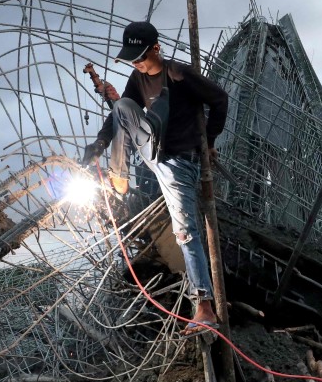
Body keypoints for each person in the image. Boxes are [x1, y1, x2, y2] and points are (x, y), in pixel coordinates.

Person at [83, 20, 228, 329]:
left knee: (185, 232)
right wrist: (100, 142)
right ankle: (118, 177)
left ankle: (204, 306)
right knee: (121, 104)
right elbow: (120, 115)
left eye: (141, 57)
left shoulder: (179, 74)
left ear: (156, 49)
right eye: (132, 59)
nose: (137, 64)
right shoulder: (138, 77)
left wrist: (210, 142)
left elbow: (220, 100)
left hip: (178, 161)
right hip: (152, 153)